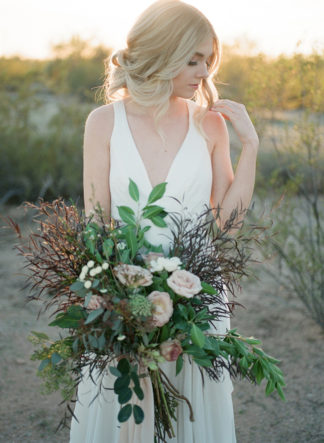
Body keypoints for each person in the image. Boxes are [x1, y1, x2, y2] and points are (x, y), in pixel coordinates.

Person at [70, 1, 259, 442]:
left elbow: (226, 225)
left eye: (208, 61)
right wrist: (110, 296)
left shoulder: (210, 125)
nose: (203, 73)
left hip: (197, 299)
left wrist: (250, 145)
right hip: (127, 300)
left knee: (192, 416)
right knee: (126, 413)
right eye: (193, 60)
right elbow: (97, 223)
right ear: (162, 51)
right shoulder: (103, 123)